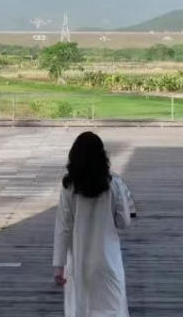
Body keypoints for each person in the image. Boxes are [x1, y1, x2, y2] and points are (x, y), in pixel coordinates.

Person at [53, 131, 136, 317]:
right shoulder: (113, 183)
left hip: (79, 259)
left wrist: (58, 265)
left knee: (80, 308)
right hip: (107, 259)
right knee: (112, 308)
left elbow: (63, 227)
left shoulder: (68, 186)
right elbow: (124, 222)